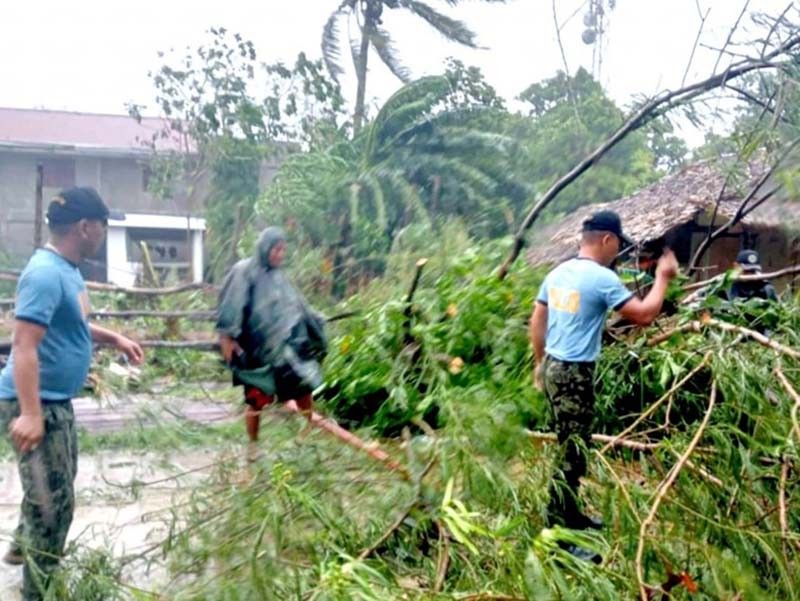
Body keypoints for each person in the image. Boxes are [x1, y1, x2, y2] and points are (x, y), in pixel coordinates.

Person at [0, 187, 144, 600]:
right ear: (85, 227)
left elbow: (74, 324)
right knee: (54, 507)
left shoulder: (68, 269)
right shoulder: (45, 273)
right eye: (101, 225)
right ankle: (38, 592)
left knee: (54, 487)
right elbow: (24, 345)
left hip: (54, 400)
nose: (102, 233)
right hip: (38, 402)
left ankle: (19, 547)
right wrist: (30, 415)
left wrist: (114, 337)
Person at [529, 210, 678, 541]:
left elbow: (537, 320)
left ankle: (571, 515)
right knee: (572, 452)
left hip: (555, 367)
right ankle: (556, 531)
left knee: (573, 445)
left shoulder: (558, 273)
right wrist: (663, 278)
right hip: (574, 372)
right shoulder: (600, 278)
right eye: (617, 246)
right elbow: (644, 315)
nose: (617, 253)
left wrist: (540, 364)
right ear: (607, 239)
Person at [216, 227, 327, 459]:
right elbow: (231, 304)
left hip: (287, 349)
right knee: (256, 399)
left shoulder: (279, 276)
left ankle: (306, 433)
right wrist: (226, 337)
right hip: (258, 350)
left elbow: (297, 304)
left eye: (283, 250)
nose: (280, 254)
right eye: (277, 249)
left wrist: (314, 319)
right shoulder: (244, 271)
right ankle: (253, 445)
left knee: (303, 388)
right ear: (265, 248)